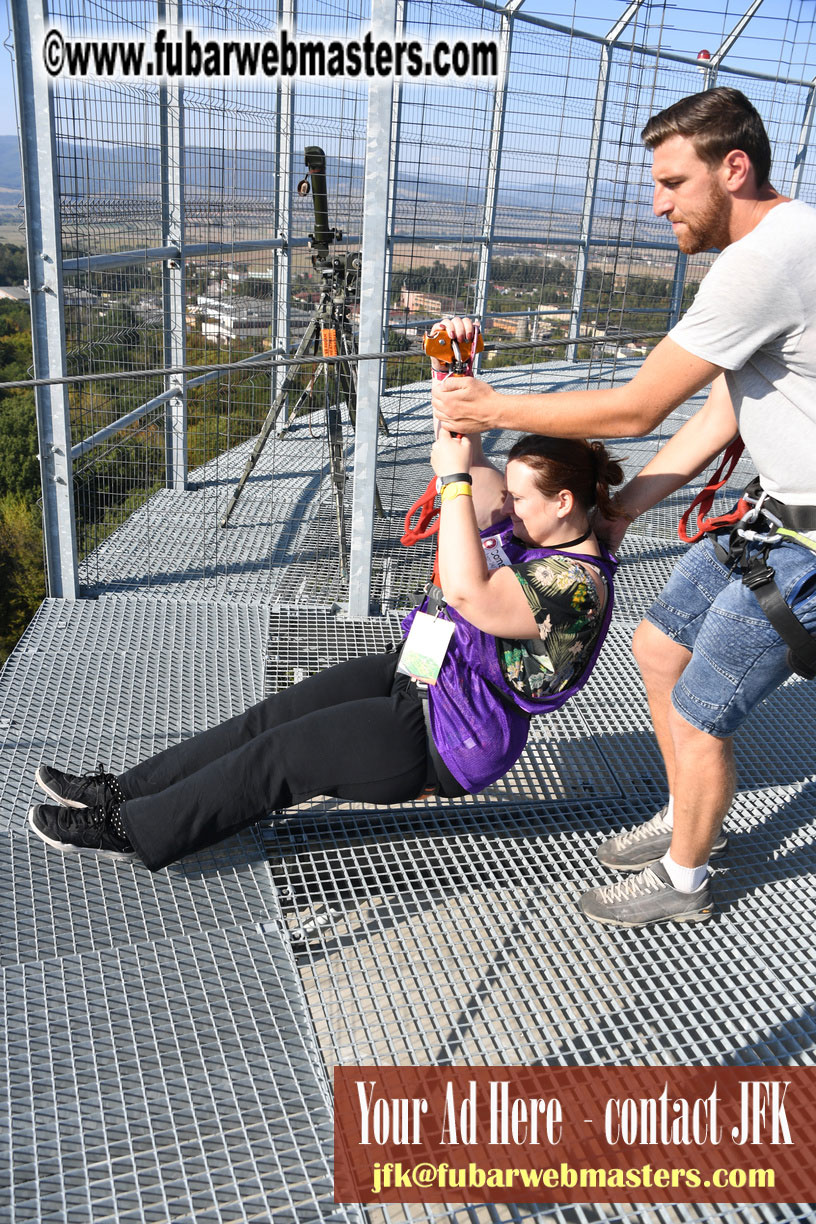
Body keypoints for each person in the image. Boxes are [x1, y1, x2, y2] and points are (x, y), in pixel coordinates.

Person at [430, 87, 816, 929]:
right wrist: (629, 505)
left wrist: (493, 408)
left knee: (701, 710)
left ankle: (685, 881)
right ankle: (690, 816)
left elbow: (641, 408)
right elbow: (725, 410)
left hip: (809, 540)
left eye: (674, 182)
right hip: (777, 511)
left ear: (734, 168)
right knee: (656, 645)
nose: (659, 203)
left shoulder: (766, 259)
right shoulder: (787, 244)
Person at [28, 429, 620, 872]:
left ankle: (133, 829)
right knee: (265, 721)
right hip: (420, 664)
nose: (506, 506)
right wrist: (455, 367)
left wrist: (455, 485)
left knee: (277, 759)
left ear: (564, 503)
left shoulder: (576, 592)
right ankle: (125, 790)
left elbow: (468, 590)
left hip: (449, 734)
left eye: (518, 498)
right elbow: (467, 449)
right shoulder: (532, 525)